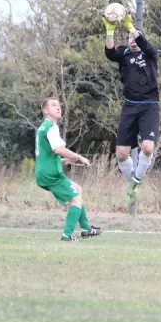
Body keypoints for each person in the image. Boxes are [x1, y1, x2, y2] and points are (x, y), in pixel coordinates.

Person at [103, 10, 160, 215]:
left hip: (149, 106)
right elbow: (110, 53)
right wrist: (110, 29)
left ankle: (137, 179)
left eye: (135, 37)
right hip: (129, 106)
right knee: (121, 153)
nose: (132, 41)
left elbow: (143, 43)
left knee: (147, 147)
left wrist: (130, 27)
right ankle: (132, 185)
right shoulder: (124, 55)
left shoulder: (150, 53)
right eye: (129, 38)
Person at [35, 97, 101, 242]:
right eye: (53, 105)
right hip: (51, 175)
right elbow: (58, 149)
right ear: (45, 111)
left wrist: (63, 160)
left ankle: (86, 229)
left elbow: (48, 153)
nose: (58, 108)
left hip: (45, 172)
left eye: (59, 105)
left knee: (78, 189)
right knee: (76, 199)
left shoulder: (44, 127)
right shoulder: (50, 127)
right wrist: (79, 157)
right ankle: (67, 235)